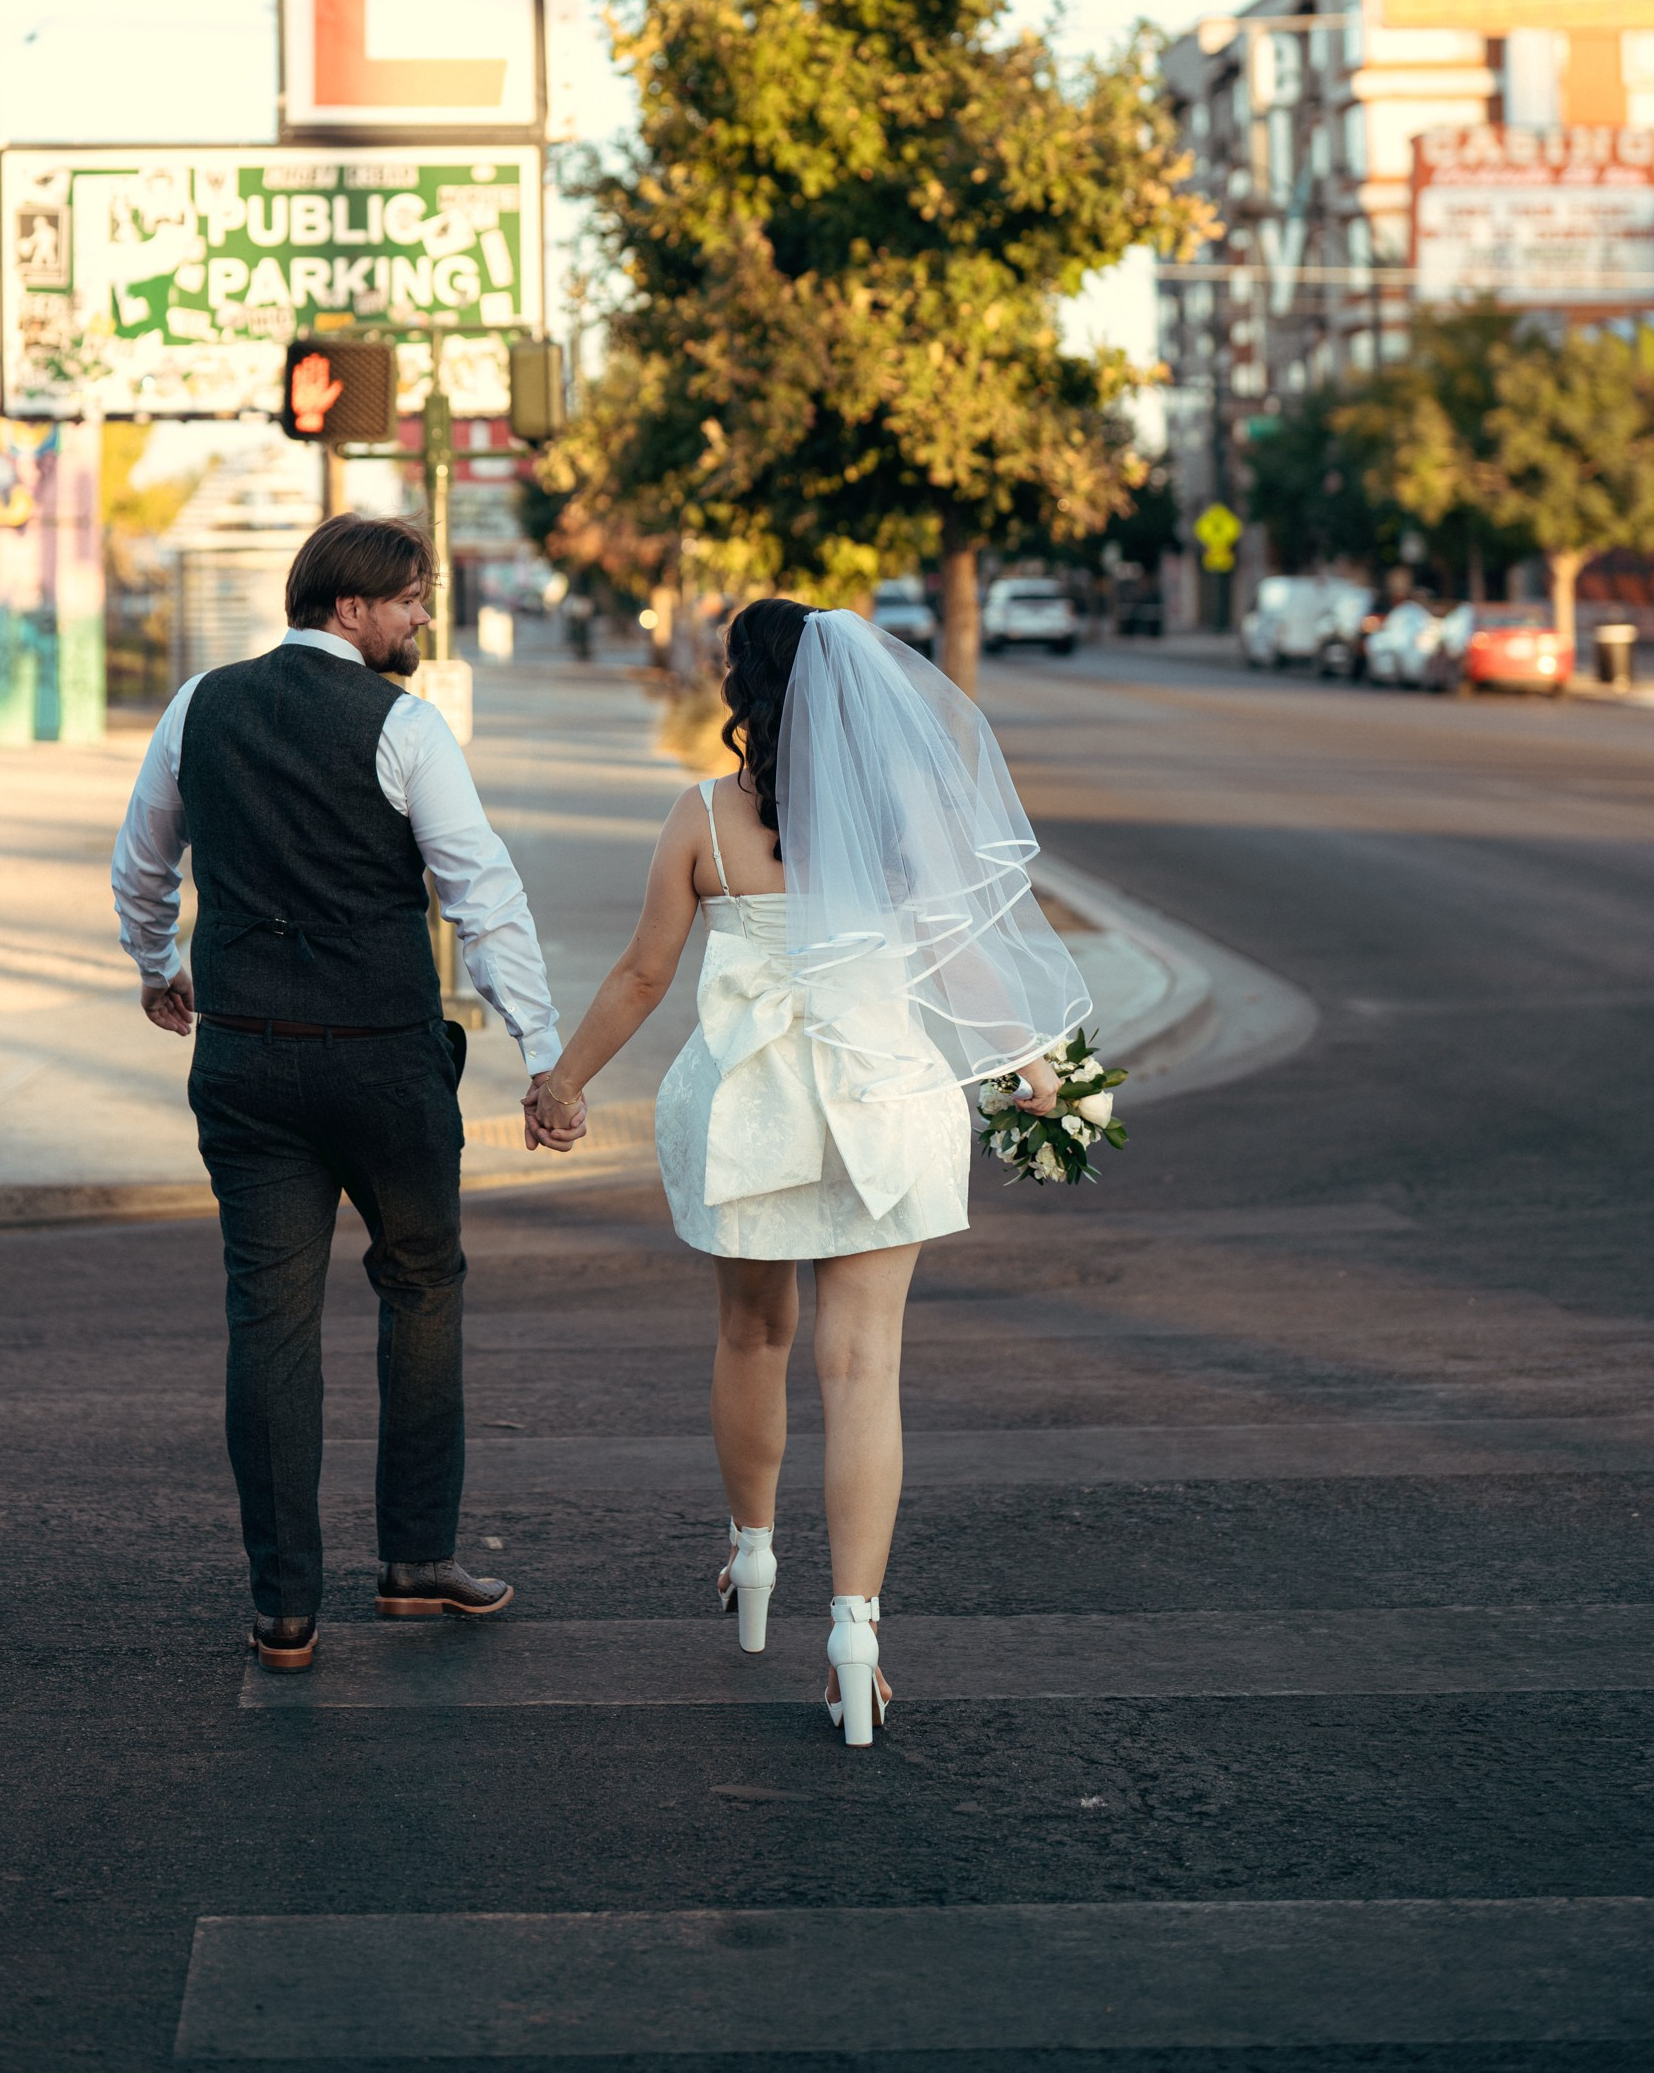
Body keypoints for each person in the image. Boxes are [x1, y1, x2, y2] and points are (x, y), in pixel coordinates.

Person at [530, 599, 1088, 1745]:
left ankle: (751, 1558)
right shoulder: (900, 821)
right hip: (887, 1102)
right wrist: (1039, 1069)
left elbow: (641, 976)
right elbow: (964, 961)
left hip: (752, 1109)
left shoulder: (699, 819)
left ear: (743, 692)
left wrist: (564, 1085)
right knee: (862, 1367)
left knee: (753, 1337)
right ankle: (854, 1639)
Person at [112, 513, 572, 1674]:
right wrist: (542, 1047)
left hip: (249, 1058)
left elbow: (141, 860)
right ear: (350, 607)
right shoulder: (405, 726)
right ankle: (417, 1563)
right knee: (421, 1286)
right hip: (381, 1059)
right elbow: (483, 895)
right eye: (411, 598)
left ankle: (284, 1610)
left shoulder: (199, 705)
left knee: (268, 1322)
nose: (422, 616)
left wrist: (155, 962)